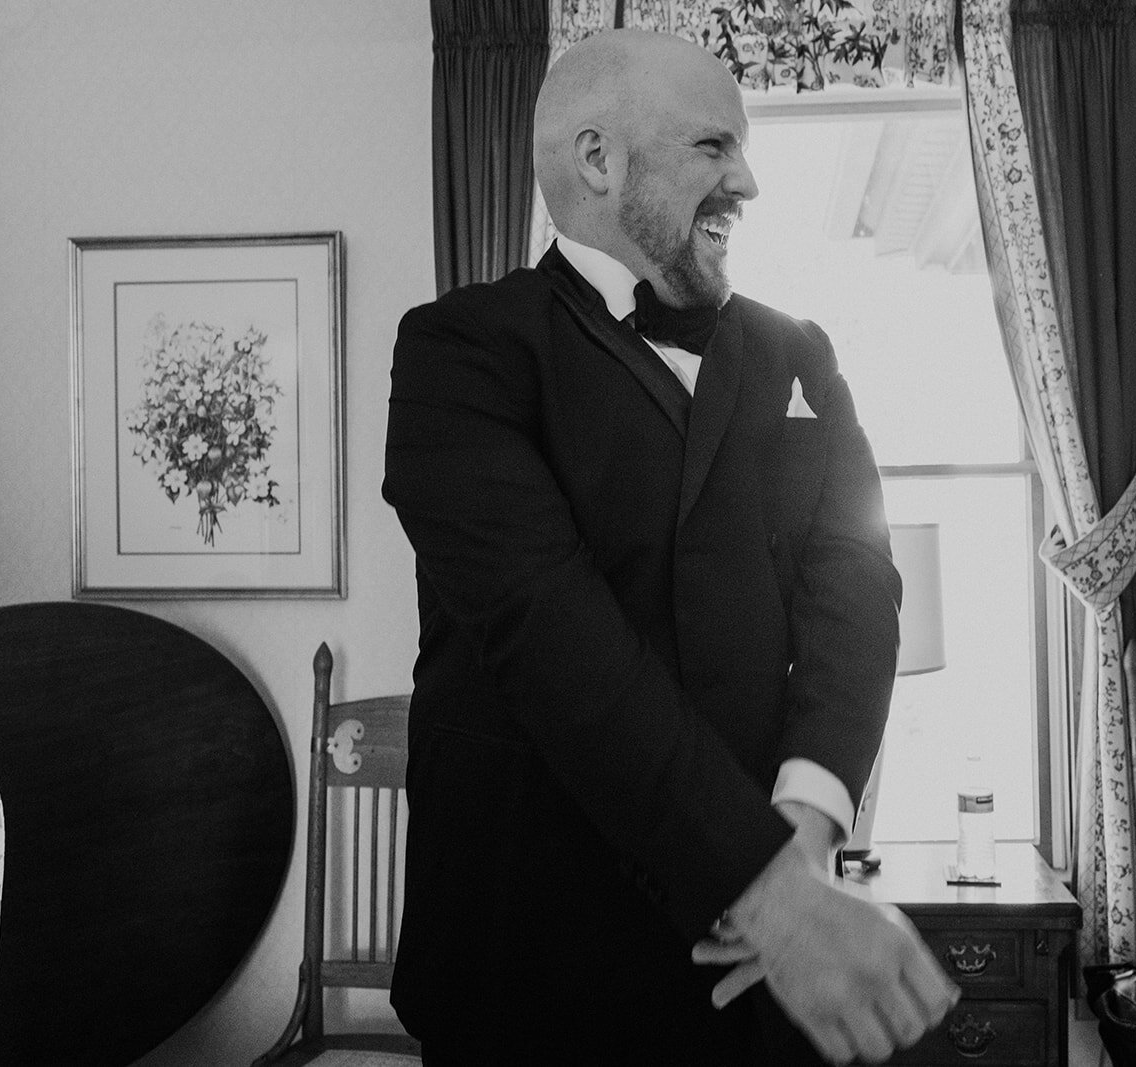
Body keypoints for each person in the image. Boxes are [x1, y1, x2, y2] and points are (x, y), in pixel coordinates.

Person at [382, 28, 959, 1065]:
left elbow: (858, 589)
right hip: (530, 972)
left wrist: (809, 827)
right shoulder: (456, 352)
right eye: (712, 146)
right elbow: (550, 635)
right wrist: (770, 890)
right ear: (599, 160)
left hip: (756, 984)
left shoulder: (801, 353)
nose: (746, 179)